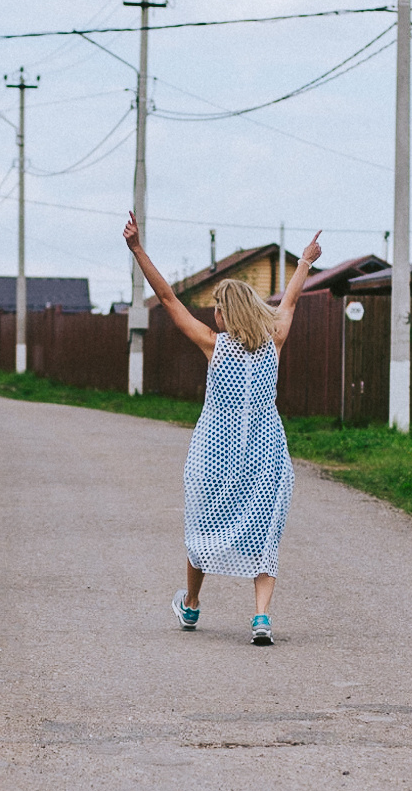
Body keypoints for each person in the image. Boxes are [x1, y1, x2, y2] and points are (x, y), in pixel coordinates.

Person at [124, 217, 320, 645]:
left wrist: (137, 250)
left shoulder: (214, 344)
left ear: (224, 312)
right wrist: (305, 261)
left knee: (201, 528)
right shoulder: (274, 341)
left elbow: (167, 298)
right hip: (267, 458)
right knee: (265, 535)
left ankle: (192, 604)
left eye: (217, 308)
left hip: (216, 457)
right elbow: (289, 303)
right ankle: (261, 617)